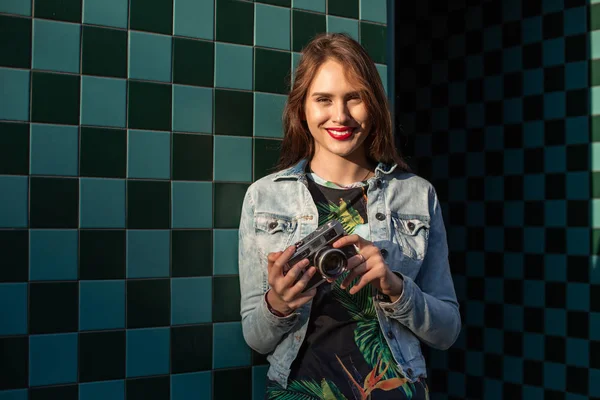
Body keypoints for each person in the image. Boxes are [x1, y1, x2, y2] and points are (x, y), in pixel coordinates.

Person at [238, 33, 461, 400]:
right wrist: (278, 303)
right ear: (302, 107)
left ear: (372, 104)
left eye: (354, 98)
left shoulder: (417, 195)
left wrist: (395, 287)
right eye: (323, 99)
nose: (339, 115)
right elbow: (255, 337)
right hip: (300, 391)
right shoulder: (265, 198)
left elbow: (447, 331)